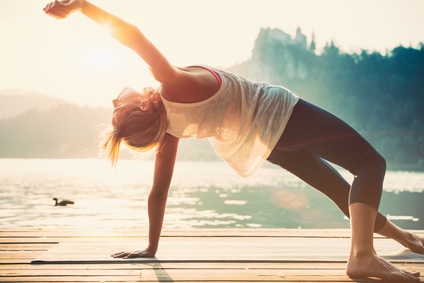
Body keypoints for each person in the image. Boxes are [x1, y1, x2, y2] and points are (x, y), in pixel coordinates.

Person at [43, 0, 423, 281]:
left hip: (269, 144)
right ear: (143, 103)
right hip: (284, 116)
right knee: (370, 164)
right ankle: (361, 256)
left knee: (342, 193)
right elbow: (133, 36)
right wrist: (81, 5)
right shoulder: (172, 83)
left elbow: (158, 193)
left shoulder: (171, 131)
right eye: (117, 109)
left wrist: (151, 248)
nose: (112, 100)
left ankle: (402, 236)